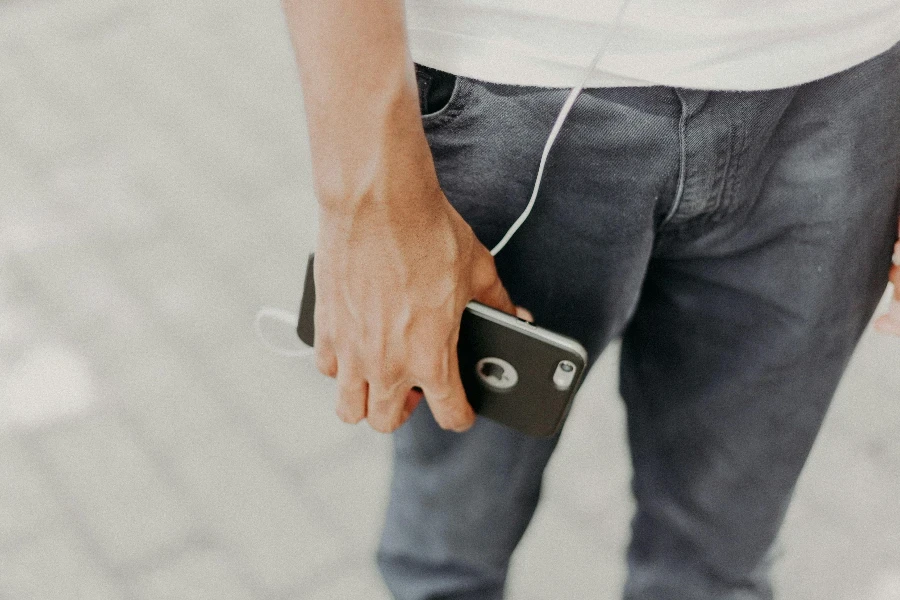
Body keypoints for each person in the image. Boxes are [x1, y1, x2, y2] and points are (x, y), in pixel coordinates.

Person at [279, 0, 900, 597]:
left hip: (841, 82)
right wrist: (369, 199)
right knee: (450, 550)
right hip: (509, 81)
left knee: (717, 568)